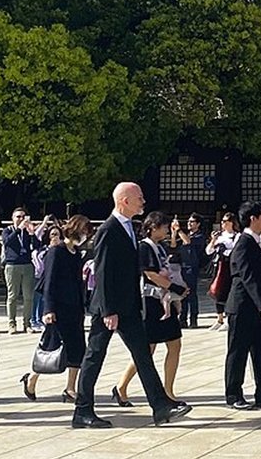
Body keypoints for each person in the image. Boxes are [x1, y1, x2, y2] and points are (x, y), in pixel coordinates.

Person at [72, 182, 190, 429]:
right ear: (124, 200)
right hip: (110, 308)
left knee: (142, 355)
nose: (143, 202)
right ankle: (82, 411)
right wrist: (108, 310)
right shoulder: (108, 229)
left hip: (128, 306)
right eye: (139, 197)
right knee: (94, 356)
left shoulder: (129, 227)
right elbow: (103, 273)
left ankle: (160, 405)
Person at [109, 212, 186, 407]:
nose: (167, 230)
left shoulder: (160, 247)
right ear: (152, 227)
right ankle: (121, 386)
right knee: (146, 350)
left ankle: (169, 390)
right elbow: (150, 274)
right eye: (164, 227)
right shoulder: (144, 247)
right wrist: (174, 288)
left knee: (174, 344)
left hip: (164, 302)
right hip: (150, 303)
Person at [26, 214, 90, 403]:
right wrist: (48, 309)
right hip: (59, 307)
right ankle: (31, 377)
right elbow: (49, 282)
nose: (85, 235)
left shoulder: (76, 253)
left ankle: (70, 388)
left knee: (77, 348)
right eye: (84, 231)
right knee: (51, 347)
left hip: (75, 307)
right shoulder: (56, 251)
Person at [223, 201, 261, 410]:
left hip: (256, 307)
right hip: (243, 306)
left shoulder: (256, 242)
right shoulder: (244, 242)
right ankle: (233, 394)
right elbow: (247, 276)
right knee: (238, 351)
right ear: (253, 218)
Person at [1, 208, 40, 334]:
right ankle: (11, 323)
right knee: (12, 296)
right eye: (18, 216)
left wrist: (32, 233)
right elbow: (7, 242)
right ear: (13, 218)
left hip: (27, 264)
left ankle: (27, 323)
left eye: (23, 216)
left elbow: (37, 246)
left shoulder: (27, 232)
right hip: (13, 265)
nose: (21, 219)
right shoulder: (8, 230)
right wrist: (18, 229)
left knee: (28, 296)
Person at [206, 212, 241, 331]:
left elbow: (236, 251)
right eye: (222, 221)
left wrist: (225, 249)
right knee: (217, 291)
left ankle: (227, 318)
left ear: (232, 222)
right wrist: (213, 240)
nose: (223, 223)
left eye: (226, 221)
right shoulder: (220, 236)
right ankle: (219, 318)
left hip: (229, 267)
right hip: (218, 266)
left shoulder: (237, 236)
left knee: (228, 291)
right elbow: (208, 251)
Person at [176, 214, 208, 329]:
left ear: (198, 224)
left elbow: (188, 241)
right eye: (188, 221)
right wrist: (174, 232)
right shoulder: (188, 235)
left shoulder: (200, 236)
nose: (189, 223)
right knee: (183, 293)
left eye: (192, 221)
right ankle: (183, 318)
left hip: (192, 267)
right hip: (182, 266)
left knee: (191, 293)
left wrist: (178, 229)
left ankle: (193, 318)